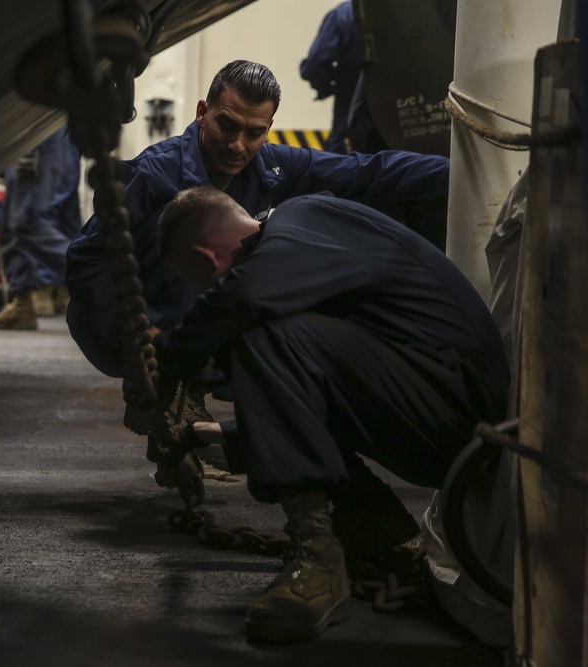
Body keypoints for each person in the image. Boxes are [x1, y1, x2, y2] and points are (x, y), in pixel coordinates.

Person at [153, 187, 509, 642]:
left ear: (207, 259)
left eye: (202, 282)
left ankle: (319, 562)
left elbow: (244, 297)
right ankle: (368, 522)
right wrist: (216, 434)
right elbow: (314, 396)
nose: (208, 290)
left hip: (460, 410)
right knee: (270, 334)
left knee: (259, 333)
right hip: (441, 410)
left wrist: (164, 365)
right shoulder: (304, 243)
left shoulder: (301, 219)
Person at [66, 60, 450, 380]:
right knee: (195, 227)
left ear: (268, 128)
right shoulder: (153, 174)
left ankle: (216, 375)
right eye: (226, 126)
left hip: (188, 323)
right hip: (115, 330)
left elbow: (368, 173)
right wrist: (137, 330)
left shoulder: (273, 166)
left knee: (266, 241)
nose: (237, 146)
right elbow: (87, 260)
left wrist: (462, 172)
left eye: (254, 133)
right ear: (202, 112)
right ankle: (178, 372)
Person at [0, 126, 82, 330]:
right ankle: (22, 304)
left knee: (26, 222)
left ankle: (94, 270)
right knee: (11, 225)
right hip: (24, 131)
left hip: (36, 132)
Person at [299, 1, 361, 153]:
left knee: (338, 166)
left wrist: (330, 85)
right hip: (410, 125)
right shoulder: (418, 12)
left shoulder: (345, 13)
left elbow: (315, 65)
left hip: (352, 119)